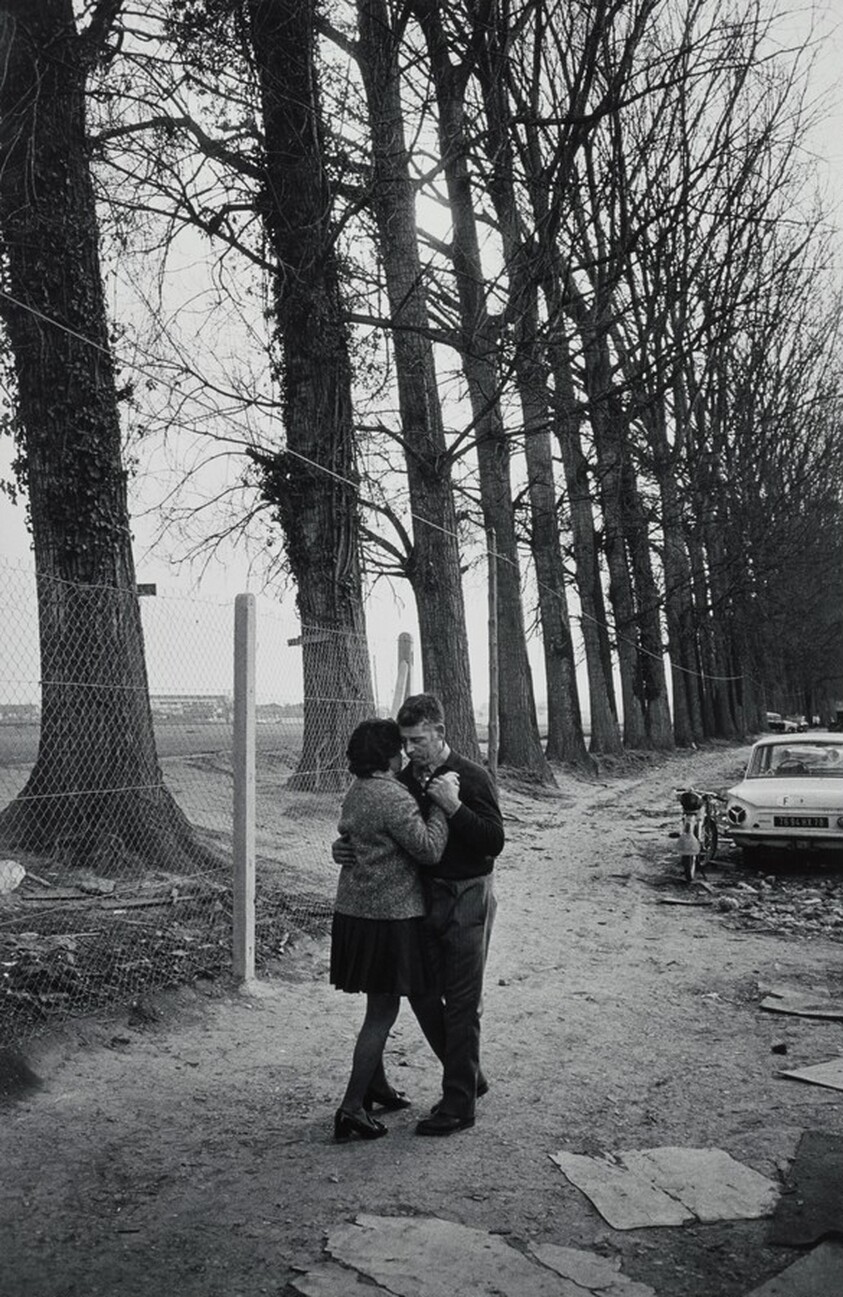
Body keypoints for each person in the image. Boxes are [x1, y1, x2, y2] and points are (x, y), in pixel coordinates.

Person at [330, 717, 454, 1144]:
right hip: (390, 919)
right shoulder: (392, 796)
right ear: (387, 755)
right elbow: (430, 849)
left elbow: (355, 840)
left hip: (356, 915)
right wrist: (440, 806)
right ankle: (351, 1107)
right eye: (399, 747)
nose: (405, 753)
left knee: (378, 1005)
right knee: (381, 1013)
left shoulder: (357, 790)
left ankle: (377, 1087)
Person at [396, 693, 505, 1136]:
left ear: (439, 732)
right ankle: (469, 1075)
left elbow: (494, 842)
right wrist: (345, 848)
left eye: (417, 740)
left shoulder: (472, 776)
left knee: (461, 1001)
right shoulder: (404, 780)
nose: (409, 750)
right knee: (420, 990)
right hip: (422, 896)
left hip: (469, 894)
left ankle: (459, 1105)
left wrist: (454, 806)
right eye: (405, 741)